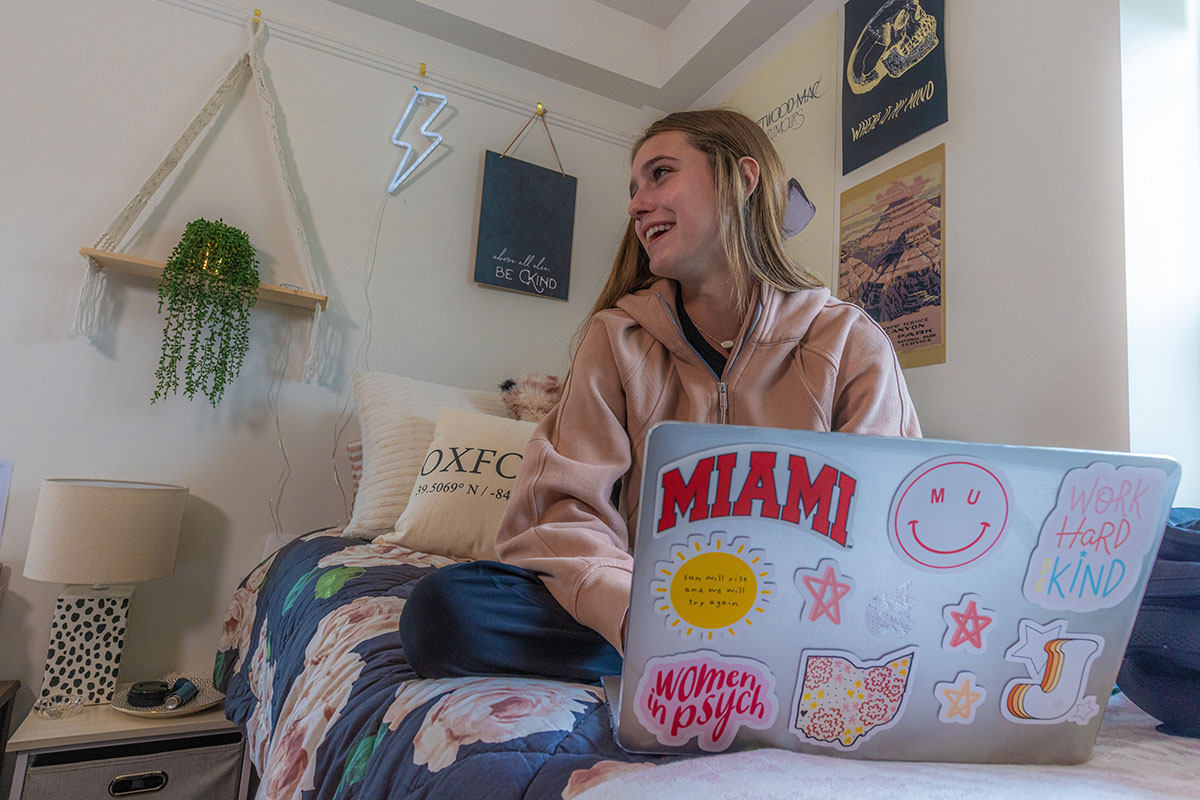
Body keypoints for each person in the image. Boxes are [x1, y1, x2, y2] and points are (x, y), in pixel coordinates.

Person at [398, 109, 921, 682]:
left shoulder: (850, 341)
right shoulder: (614, 340)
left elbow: (885, 525)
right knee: (446, 613)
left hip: (805, 610)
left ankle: (749, 661)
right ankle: (714, 663)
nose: (636, 204)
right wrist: (637, 620)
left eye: (660, 174)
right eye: (633, 188)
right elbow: (566, 511)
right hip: (646, 608)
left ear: (741, 180)